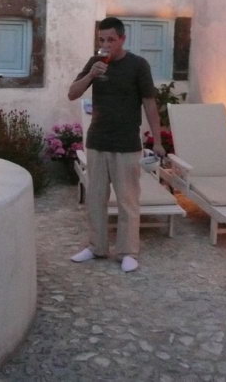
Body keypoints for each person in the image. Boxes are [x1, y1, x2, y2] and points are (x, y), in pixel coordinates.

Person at [67, 17, 166, 272]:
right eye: (102, 40)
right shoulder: (95, 62)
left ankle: (128, 252)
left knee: (127, 201)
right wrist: (91, 74)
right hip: (97, 141)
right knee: (96, 199)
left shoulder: (138, 65)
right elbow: (72, 93)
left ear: (122, 39)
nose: (106, 44)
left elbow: (150, 104)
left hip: (126, 143)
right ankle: (96, 247)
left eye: (111, 39)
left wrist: (157, 140)